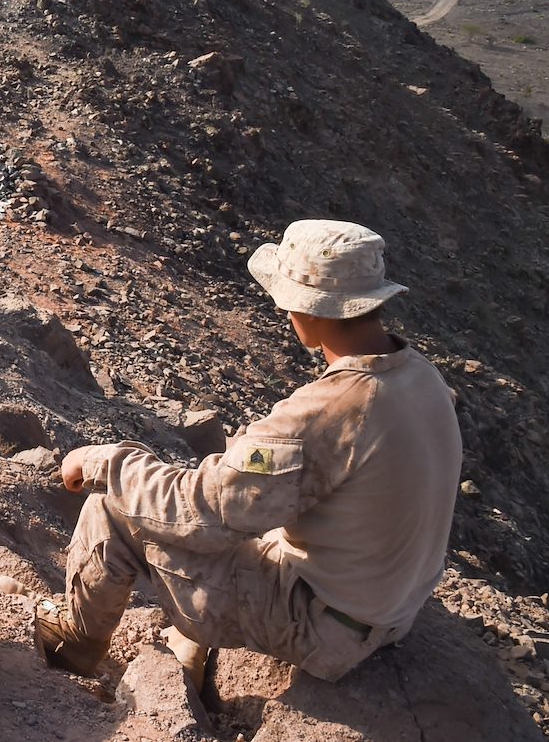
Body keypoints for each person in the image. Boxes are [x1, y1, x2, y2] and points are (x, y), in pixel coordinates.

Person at [35, 219, 462, 687]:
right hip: (390, 609)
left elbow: (205, 511)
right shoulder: (421, 376)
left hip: (326, 628)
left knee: (111, 506)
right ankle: (191, 656)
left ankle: (75, 647)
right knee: (249, 505)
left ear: (309, 311)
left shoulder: (334, 408)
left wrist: (102, 462)